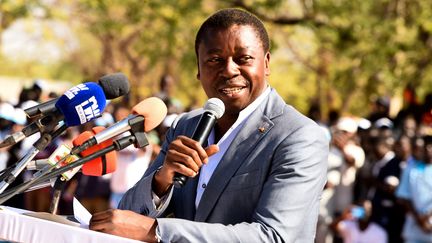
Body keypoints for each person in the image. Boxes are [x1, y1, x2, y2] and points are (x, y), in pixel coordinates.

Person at [89, 8, 329, 242]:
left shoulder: (299, 136)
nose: (229, 70)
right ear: (198, 69)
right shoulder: (186, 126)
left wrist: (158, 230)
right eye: (214, 59)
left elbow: (273, 236)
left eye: (243, 58)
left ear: (266, 63)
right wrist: (161, 181)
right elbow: (128, 217)